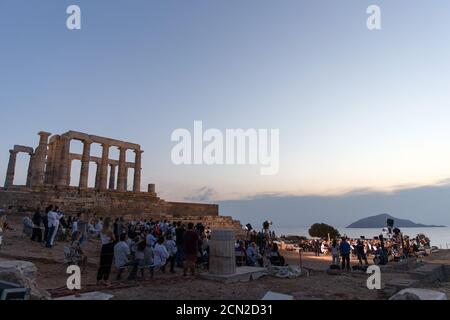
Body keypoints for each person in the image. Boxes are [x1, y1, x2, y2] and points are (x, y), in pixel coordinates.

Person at [96, 217, 115, 286]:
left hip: (103, 247)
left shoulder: (101, 230)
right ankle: (105, 279)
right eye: (111, 221)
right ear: (108, 222)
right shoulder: (109, 230)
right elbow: (114, 239)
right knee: (108, 265)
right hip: (109, 247)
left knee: (102, 264)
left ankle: (98, 279)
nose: (112, 223)